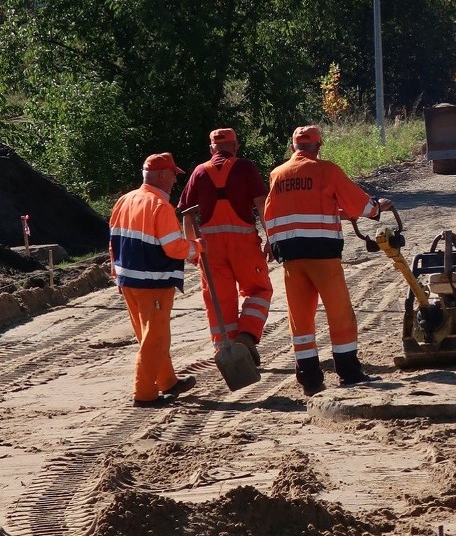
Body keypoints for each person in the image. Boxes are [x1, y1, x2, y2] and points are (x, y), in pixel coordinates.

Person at [264, 125, 394, 396]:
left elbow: (274, 214)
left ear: (293, 148)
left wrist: (276, 247)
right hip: (322, 254)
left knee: (300, 318)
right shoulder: (327, 171)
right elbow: (358, 203)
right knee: (340, 313)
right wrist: (377, 207)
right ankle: (349, 372)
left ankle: (309, 378)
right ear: (318, 147)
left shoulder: (277, 174)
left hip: (290, 257)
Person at [109, 152, 203, 407]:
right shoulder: (159, 206)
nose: (175, 180)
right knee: (155, 338)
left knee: (147, 334)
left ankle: (168, 382)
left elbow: (113, 242)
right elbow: (173, 247)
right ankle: (144, 393)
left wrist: (115, 271)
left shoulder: (125, 200)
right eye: (173, 175)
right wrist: (197, 247)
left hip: (128, 279)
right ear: (161, 175)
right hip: (152, 282)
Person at [178, 127, 273, 367]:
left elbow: (188, 215)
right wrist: (272, 238)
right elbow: (262, 204)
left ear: (212, 149)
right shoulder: (245, 168)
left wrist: (192, 250)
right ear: (236, 146)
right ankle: (247, 336)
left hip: (210, 249)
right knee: (259, 291)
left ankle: (229, 356)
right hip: (244, 245)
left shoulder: (199, 172)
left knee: (219, 302)